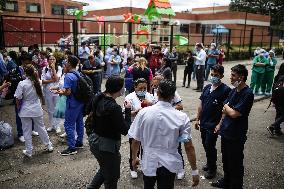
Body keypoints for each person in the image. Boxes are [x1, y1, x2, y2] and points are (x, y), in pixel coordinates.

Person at [129, 80, 199, 189]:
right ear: (173, 96)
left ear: (157, 93)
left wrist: (134, 157)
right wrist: (194, 171)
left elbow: (136, 139)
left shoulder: (144, 113)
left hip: (149, 161)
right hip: (169, 162)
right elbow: (189, 146)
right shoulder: (181, 117)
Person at [212, 64, 254, 189]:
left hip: (236, 134)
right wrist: (219, 124)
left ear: (241, 77)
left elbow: (234, 113)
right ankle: (226, 181)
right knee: (226, 159)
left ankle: (235, 185)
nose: (230, 78)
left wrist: (226, 107)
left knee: (235, 162)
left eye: (233, 75)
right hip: (226, 131)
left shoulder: (248, 93)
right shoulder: (233, 91)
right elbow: (225, 111)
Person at [86, 76, 132, 189]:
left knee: (105, 169)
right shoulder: (114, 107)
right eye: (123, 87)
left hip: (94, 140)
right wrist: (128, 110)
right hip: (107, 146)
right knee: (111, 177)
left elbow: (88, 111)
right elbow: (125, 129)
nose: (124, 89)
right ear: (118, 89)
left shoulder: (99, 97)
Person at [194, 64, 231, 179]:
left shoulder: (226, 90)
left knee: (210, 145)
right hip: (204, 122)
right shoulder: (207, 88)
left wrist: (220, 124)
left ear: (222, 76)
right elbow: (201, 104)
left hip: (213, 124)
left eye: (216, 75)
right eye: (212, 74)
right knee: (205, 144)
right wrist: (197, 119)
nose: (213, 76)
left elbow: (225, 110)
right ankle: (209, 163)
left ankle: (212, 168)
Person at [14, 64, 53, 157]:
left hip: (25, 110)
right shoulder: (38, 82)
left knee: (26, 131)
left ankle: (29, 151)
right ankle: (49, 145)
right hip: (36, 109)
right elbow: (41, 95)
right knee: (41, 128)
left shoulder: (22, 83)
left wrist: (19, 109)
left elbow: (18, 99)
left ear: (25, 73)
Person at [125, 78, 155, 179]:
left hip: (148, 127)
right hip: (134, 126)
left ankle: (143, 164)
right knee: (134, 148)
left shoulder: (150, 96)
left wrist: (151, 105)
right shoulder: (129, 97)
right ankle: (133, 168)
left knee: (145, 147)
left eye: (145, 88)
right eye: (140, 88)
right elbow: (126, 113)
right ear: (135, 87)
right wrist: (136, 111)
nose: (143, 90)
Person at [55, 55, 84, 156]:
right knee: (79, 122)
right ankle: (79, 142)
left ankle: (72, 148)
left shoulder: (68, 76)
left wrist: (59, 92)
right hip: (80, 102)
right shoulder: (77, 73)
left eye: (66, 61)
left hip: (72, 103)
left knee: (69, 125)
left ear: (69, 64)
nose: (64, 63)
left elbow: (68, 92)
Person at [41, 55, 62, 133]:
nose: (52, 60)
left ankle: (57, 126)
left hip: (56, 90)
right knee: (50, 109)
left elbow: (57, 78)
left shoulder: (59, 68)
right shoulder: (45, 68)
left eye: (53, 59)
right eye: (50, 59)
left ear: (55, 60)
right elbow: (42, 81)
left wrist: (53, 69)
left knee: (57, 108)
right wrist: (51, 80)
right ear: (48, 60)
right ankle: (52, 125)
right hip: (47, 90)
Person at [267, 63, 284, 136]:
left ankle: (277, 130)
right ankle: (272, 126)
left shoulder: (277, 77)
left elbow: (273, 87)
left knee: (278, 113)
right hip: (282, 98)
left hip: (276, 98)